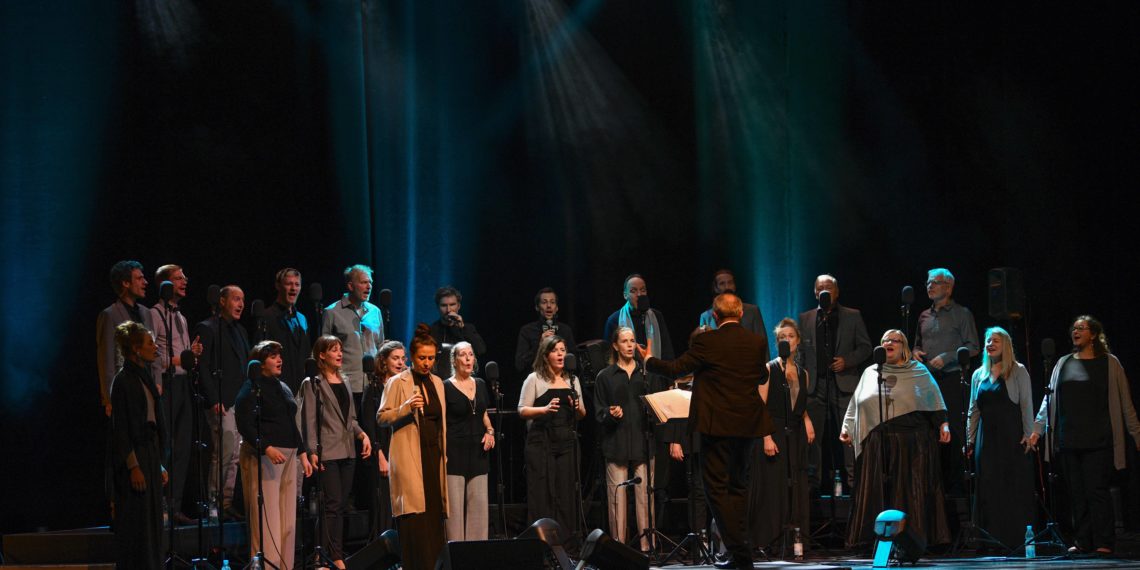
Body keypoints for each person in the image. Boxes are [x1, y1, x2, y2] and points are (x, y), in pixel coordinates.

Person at [641, 293, 772, 570]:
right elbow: (761, 376)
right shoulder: (757, 342)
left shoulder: (706, 341)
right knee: (737, 486)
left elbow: (676, 368)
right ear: (740, 312)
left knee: (715, 489)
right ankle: (739, 554)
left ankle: (740, 553)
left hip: (717, 426)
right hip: (747, 425)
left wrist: (649, 359)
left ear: (715, 315)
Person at [1028, 316, 1140, 556]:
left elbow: (1125, 403)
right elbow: (1048, 400)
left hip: (1099, 440)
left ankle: (1104, 541)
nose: (1076, 331)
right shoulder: (1062, 363)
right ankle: (1082, 541)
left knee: (1096, 491)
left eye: (1081, 328)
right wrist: (1037, 429)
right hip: (1068, 440)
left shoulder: (1109, 364)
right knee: (1076, 494)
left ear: (1093, 334)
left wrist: (1136, 434)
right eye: (1074, 328)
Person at [840, 329, 951, 548]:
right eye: (885, 340)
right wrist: (847, 426)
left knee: (910, 492)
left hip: (911, 441)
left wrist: (943, 424)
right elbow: (857, 402)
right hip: (877, 442)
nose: (889, 343)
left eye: (895, 340)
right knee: (877, 490)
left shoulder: (917, 370)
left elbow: (934, 400)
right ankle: (873, 540)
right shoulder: (871, 372)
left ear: (904, 347)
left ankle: (912, 541)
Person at [234, 341, 313, 570]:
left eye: (279, 355)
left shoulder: (283, 387)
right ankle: (269, 566)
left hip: (289, 456)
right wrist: (266, 447)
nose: (279, 360)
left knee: (287, 520)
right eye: (272, 356)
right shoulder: (251, 388)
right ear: (259, 362)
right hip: (267, 456)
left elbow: (291, 422)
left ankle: (285, 566)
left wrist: (303, 454)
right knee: (268, 517)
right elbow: (245, 423)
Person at [377, 324, 449, 570]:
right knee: (415, 519)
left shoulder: (438, 382)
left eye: (431, 358)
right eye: (422, 358)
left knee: (434, 517)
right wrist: (405, 407)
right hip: (410, 458)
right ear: (412, 356)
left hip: (433, 456)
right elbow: (382, 417)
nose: (427, 363)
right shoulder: (398, 382)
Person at [298, 335, 372, 569]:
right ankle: (331, 555)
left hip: (347, 450)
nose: (339, 354)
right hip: (327, 451)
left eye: (340, 349)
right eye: (333, 350)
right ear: (321, 355)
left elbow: (350, 418)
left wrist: (362, 435)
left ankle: (327, 553)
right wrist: (311, 451)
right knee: (331, 503)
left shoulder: (346, 380)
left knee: (340, 505)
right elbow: (308, 420)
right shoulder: (312, 383)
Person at [797, 274, 871, 492]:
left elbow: (866, 347)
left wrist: (847, 361)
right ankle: (813, 487)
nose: (824, 292)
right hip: (815, 386)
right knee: (814, 439)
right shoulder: (806, 318)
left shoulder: (852, 316)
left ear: (837, 292)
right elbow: (801, 352)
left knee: (848, 436)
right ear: (814, 292)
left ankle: (854, 484)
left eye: (828, 288)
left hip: (844, 385)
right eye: (820, 288)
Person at [965, 327, 1034, 553]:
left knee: (1010, 486)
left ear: (1006, 345)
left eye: (995, 340)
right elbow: (973, 411)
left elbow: (1026, 404)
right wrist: (970, 439)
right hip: (986, 439)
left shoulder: (1017, 370)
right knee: (988, 486)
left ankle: (1013, 539)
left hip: (1011, 436)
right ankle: (989, 540)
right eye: (987, 341)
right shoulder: (978, 374)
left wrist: (1028, 433)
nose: (990, 344)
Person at [749, 318, 814, 551]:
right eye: (782, 337)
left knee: (795, 483)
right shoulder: (769, 368)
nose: (787, 340)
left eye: (791, 336)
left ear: (798, 341)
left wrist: (806, 420)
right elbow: (760, 406)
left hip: (794, 433)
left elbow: (798, 403)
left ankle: (795, 540)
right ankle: (771, 540)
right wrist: (766, 436)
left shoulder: (802, 373)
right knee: (773, 487)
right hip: (773, 432)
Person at [913, 268, 979, 493]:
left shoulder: (962, 314)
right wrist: (915, 352)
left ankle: (957, 490)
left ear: (949, 287)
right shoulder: (923, 315)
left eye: (936, 282)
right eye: (928, 282)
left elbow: (973, 347)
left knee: (953, 434)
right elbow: (917, 345)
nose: (930, 286)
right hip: (927, 383)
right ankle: (934, 488)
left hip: (952, 380)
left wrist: (948, 357)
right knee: (929, 433)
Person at [108, 321, 167, 569]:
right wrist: (133, 466)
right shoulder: (122, 381)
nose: (155, 347)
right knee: (137, 522)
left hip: (150, 452)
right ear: (135, 348)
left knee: (153, 520)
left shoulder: (144, 376)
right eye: (149, 343)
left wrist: (160, 464)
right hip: (136, 455)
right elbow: (121, 429)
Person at [148, 264, 203, 525]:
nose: (185, 281)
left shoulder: (181, 318)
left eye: (185, 276)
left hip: (183, 385)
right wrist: (177, 360)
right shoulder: (153, 314)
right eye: (179, 278)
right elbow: (152, 356)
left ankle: (175, 505)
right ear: (165, 284)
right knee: (165, 446)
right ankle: (159, 507)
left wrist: (191, 354)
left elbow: (182, 355)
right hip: (166, 385)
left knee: (182, 448)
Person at [519, 336, 587, 536]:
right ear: (546, 354)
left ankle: (565, 542)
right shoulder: (534, 379)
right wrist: (544, 409)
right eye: (555, 350)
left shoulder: (572, 380)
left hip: (566, 442)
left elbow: (583, 413)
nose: (560, 354)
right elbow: (521, 410)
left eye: (563, 350)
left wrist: (577, 408)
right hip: (541, 442)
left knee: (565, 493)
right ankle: (541, 542)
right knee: (542, 494)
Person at [594, 327, 653, 550]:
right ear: (616, 346)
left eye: (632, 341)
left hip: (642, 443)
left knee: (644, 499)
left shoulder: (645, 374)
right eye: (625, 341)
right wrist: (611, 414)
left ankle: (648, 548)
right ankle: (619, 548)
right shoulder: (605, 376)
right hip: (616, 443)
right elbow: (599, 412)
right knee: (617, 498)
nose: (629, 345)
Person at [195, 284, 250, 520]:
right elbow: (203, 367)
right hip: (222, 401)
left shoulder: (240, 331)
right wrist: (214, 398)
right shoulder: (208, 328)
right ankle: (214, 503)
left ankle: (226, 502)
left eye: (242, 300)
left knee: (236, 455)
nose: (240, 304)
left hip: (239, 401)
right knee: (224, 452)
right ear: (223, 302)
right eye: (235, 299)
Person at [444, 341, 495, 541]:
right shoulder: (445, 386)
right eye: (463, 355)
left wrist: (490, 431)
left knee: (479, 509)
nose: (467, 358)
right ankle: (457, 556)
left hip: (478, 451)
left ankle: (476, 556)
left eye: (471, 354)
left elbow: (482, 413)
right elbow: (442, 423)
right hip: (454, 452)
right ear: (454, 360)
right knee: (454, 511)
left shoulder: (480, 384)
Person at [97, 260, 154, 416]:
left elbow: (154, 350)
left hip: (148, 386)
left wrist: (157, 384)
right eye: (139, 278)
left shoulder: (146, 313)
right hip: (125, 388)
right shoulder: (110, 315)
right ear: (125, 283)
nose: (145, 282)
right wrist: (109, 398)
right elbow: (107, 360)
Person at [360, 340, 405, 537]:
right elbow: (370, 425)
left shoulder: (405, 387)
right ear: (384, 361)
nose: (400, 362)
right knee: (383, 511)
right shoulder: (374, 388)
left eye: (403, 358)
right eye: (395, 358)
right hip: (382, 454)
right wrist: (380, 457)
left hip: (402, 453)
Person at [321, 264, 385, 401]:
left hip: (373, 384)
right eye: (363, 282)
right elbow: (323, 350)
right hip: (345, 383)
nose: (369, 286)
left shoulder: (375, 312)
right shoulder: (332, 312)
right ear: (350, 286)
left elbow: (380, 346)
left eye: (370, 282)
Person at [603, 274, 675, 360]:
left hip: (655, 370)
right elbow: (608, 356)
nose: (639, 294)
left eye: (643, 290)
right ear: (625, 295)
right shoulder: (614, 320)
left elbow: (667, 351)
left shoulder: (657, 316)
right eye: (633, 291)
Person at [264, 268, 312, 395]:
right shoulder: (267, 317)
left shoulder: (302, 319)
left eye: (297, 284)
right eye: (288, 284)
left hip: (302, 388)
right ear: (278, 286)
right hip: (278, 388)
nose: (293, 288)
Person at [515, 287, 577, 376]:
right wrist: (539, 345)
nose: (549, 306)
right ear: (537, 307)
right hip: (537, 379)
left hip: (562, 379)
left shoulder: (565, 330)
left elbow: (574, 362)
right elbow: (520, 365)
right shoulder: (527, 331)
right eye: (544, 302)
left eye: (552, 302)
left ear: (557, 308)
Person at [429, 286, 488, 376]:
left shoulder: (468, 328)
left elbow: (481, 350)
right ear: (438, 307)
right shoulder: (431, 331)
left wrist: (462, 328)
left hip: (464, 380)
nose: (448, 310)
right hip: (439, 381)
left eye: (452, 305)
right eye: (444, 305)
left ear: (458, 306)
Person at [697, 269, 767, 340]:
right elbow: (703, 345)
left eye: (730, 282)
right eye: (722, 284)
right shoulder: (706, 316)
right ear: (715, 288)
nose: (727, 287)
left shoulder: (752, 311)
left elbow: (762, 342)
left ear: (734, 285)